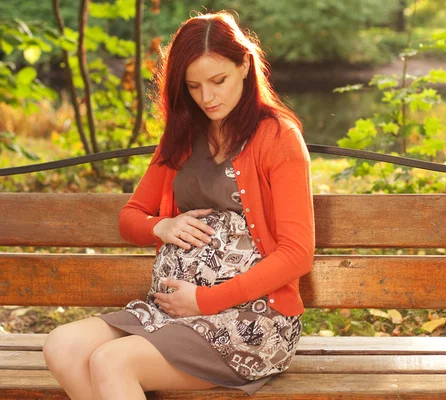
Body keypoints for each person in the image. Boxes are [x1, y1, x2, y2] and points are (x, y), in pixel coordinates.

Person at [42, 11, 315, 399]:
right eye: (193, 86)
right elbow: (130, 217)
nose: (207, 97)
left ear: (244, 65)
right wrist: (162, 226)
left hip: (252, 322)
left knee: (111, 361)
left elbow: (296, 254)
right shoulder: (184, 136)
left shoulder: (277, 136)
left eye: (218, 81)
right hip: (171, 312)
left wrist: (205, 300)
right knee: (62, 346)